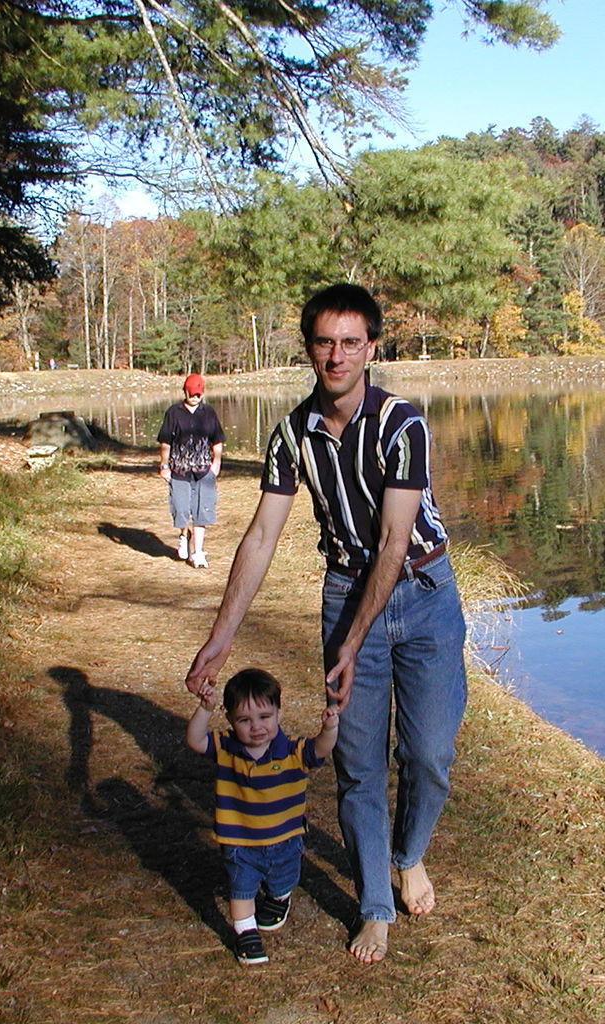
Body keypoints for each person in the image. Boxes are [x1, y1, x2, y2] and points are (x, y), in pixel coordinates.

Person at [185, 283, 467, 964]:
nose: (336, 355)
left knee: (428, 757)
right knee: (358, 765)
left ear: (371, 346)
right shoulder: (292, 435)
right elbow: (259, 539)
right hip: (347, 591)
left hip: (422, 594)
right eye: (323, 342)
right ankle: (375, 906)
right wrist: (219, 639)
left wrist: (354, 639)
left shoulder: (403, 424)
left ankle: (408, 855)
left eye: (349, 342)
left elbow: (395, 544)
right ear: (308, 347)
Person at [185, 668, 339, 965]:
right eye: (244, 720)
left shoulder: (293, 751)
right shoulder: (226, 748)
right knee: (240, 888)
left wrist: (329, 730)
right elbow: (194, 740)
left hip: (285, 841)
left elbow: (321, 749)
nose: (256, 727)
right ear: (230, 719)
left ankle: (278, 898)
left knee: (283, 882)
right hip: (239, 843)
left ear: (278, 713)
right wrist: (204, 709)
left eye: (264, 717)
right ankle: (246, 934)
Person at [157, 373, 225, 567]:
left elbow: (217, 440)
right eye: (191, 393)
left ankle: (198, 552)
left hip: (204, 470)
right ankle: (183, 536)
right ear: (184, 391)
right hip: (179, 470)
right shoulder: (174, 412)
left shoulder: (209, 413)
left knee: (202, 511)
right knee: (181, 509)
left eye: (198, 393)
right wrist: (164, 465)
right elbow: (165, 442)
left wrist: (216, 464)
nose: (195, 397)